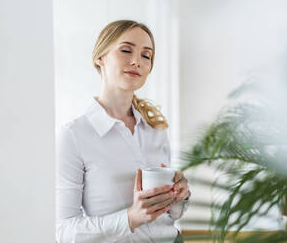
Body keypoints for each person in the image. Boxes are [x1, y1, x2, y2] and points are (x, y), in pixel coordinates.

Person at [56, 20, 190, 243]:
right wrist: (130, 218)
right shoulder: (73, 135)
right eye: (126, 50)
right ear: (100, 58)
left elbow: (171, 216)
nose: (136, 61)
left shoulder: (156, 129)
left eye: (146, 56)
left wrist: (179, 197)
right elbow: (64, 231)